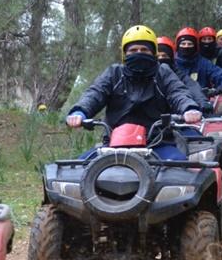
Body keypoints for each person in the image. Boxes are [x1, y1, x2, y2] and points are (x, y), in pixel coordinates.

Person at [66, 25, 202, 160]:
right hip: (113, 146)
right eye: (133, 50)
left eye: (144, 50)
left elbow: (178, 92)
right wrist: (80, 111)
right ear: (124, 54)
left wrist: (189, 108)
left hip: (157, 143)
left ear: (153, 53)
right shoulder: (114, 73)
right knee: (78, 169)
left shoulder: (163, 72)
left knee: (179, 168)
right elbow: (95, 93)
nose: (139, 53)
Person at [175, 27, 222, 94]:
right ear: (178, 45)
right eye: (183, 44)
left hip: (201, 100)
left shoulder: (203, 63)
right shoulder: (171, 63)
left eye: (190, 44)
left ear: (195, 46)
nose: (186, 46)